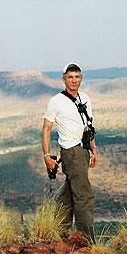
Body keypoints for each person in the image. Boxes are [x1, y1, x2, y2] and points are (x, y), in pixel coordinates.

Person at [41, 62, 98, 243]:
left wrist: (94, 149)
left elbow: (88, 127)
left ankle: (58, 229)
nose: (74, 81)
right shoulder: (56, 101)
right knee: (84, 195)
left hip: (83, 150)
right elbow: (46, 129)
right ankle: (87, 241)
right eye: (70, 77)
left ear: (81, 78)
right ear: (63, 79)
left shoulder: (86, 98)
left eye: (77, 77)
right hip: (71, 152)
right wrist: (46, 155)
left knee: (70, 192)